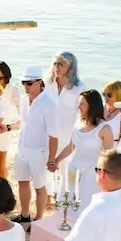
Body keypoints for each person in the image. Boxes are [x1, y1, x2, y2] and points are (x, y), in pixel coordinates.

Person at [50, 89, 114, 212]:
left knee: (84, 206)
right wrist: (56, 160)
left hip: (91, 174)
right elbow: (71, 146)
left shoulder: (104, 129)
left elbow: (109, 156)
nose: (78, 106)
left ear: (92, 105)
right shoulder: (79, 123)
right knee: (66, 203)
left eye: (82, 104)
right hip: (73, 169)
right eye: (78, 103)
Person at [10, 68, 58, 224]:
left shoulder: (49, 104)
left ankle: (39, 219)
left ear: (39, 82)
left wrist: (52, 159)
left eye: (29, 83)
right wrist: (8, 127)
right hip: (22, 149)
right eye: (23, 83)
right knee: (22, 182)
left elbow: (54, 135)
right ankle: (24, 215)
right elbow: (23, 123)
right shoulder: (25, 100)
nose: (26, 86)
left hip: (39, 151)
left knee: (39, 186)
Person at [47, 53, 84, 198]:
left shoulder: (79, 88)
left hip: (68, 137)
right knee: (46, 169)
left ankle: (64, 200)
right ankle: (48, 198)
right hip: (47, 134)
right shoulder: (47, 84)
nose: (57, 67)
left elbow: (83, 112)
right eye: (55, 64)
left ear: (70, 66)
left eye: (61, 64)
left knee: (66, 172)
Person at [102, 80, 121, 144]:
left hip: (113, 148)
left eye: (109, 95)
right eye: (104, 94)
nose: (105, 97)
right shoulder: (100, 108)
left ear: (119, 95)